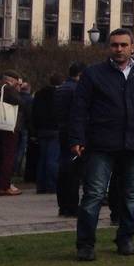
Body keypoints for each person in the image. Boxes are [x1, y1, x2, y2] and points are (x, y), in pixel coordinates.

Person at [69, 28, 134, 261]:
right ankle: (86, 244)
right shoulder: (94, 74)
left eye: (123, 45)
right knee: (94, 195)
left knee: (131, 195)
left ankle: (125, 238)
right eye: (114, 45)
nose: (118, 49)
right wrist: (77, 138)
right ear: (109, 47)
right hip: (102, 142)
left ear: (132, 47)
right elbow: (79, 108)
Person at [55, 63, 85, 216]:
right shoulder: (76, 90)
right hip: (73, 133)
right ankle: (72, 206)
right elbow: (77, 114)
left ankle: (63, 205)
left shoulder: (61, 88)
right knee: (73, 171)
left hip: (62, 130)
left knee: (64, 169)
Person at [32, 74, 63, 194]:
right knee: (53, 159)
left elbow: (34, 111)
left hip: (42, 129)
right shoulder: (59, 94)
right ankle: (52, 185)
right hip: (55, 129)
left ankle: (41, 185)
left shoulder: (39, 94)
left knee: (42, 158)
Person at [0, 71, 24, 196]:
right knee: (8, 156)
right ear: (13, 80)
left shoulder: (0, 87)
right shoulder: (9, 89)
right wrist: (18, 89)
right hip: (8, 126)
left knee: (0, 155)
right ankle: (4, 185)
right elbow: (20, 102)